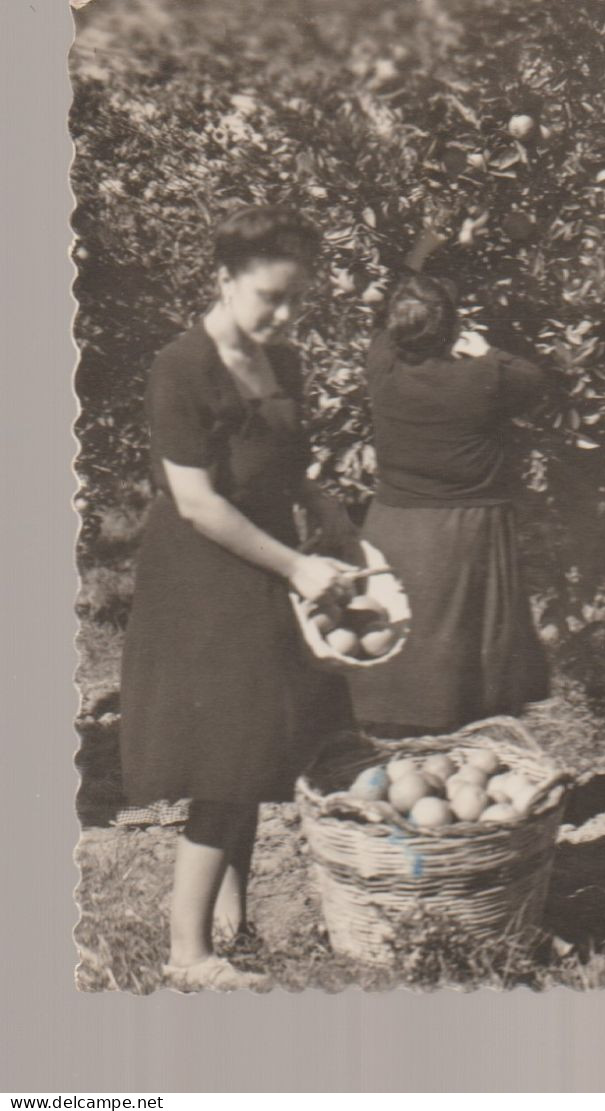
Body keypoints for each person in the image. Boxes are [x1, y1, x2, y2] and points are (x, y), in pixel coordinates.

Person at [119, 206, 360, 991]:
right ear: (224, 278)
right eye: (270, 298)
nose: (285, 316)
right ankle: (186, 954)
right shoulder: (181, 367)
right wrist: (296, 565)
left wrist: (322, 508)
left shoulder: (281, 363)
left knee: (254, 745)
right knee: (224, 754)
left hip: (264, 563)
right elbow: (196, 501)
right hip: (203, 576)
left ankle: (233, 923)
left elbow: (286, 464)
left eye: (298, 301)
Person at [345, 273, 561, 735]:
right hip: (467, 529)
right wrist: (485, 351)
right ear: (451, 330)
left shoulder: (380, 365)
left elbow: (387, 308)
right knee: (465, 658)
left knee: (397, 641)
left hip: (396, 526)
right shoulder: (481, 377)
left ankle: (392, 745)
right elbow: (535, 380)